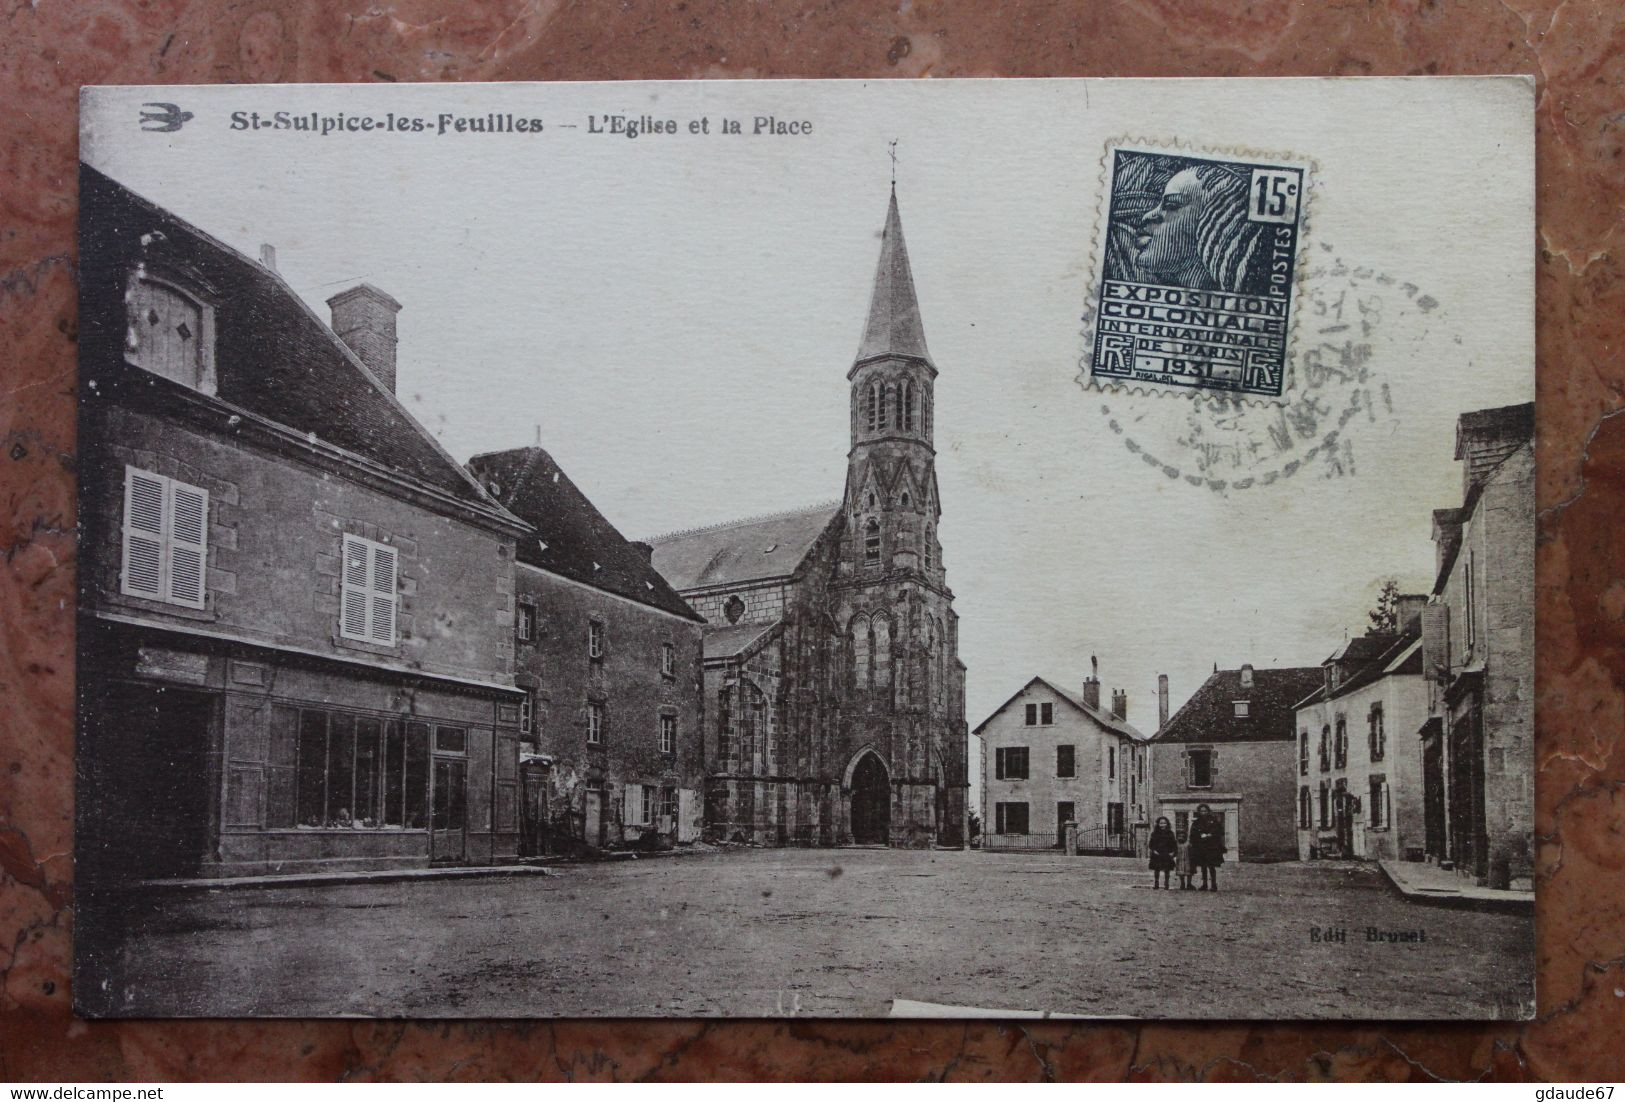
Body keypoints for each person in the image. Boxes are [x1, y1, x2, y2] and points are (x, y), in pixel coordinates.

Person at [1189, 803, 1226, 891]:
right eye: (1201, 811)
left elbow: (1220, 832)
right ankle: (1204, 884)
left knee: (1211, 866)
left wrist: (1210, 835)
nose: (1203, 813)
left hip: (1211, 847)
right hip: (1201, 847)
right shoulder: (1196, 822)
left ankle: (1213, 884)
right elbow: (1192, 835)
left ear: (1208, 811)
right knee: (1203, 866)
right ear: (1199, 812)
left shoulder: (1213, 821)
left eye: (1205, 811)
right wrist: (1199, 836)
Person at [1148, 816, 1178, 889]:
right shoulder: (1155, 833)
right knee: (1156, 869)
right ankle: (1156, 883)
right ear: (1158, 824)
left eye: (1164, 823)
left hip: (1166, 853)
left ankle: (1166, 883)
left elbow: (1174, 844)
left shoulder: (1170, 833)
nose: (1162, 825)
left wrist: (1172, 852)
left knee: (1167, 869)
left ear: (1167, 824)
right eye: (1161, 823)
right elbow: (1151, 843)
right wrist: (1154, 850)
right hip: (1157, 853)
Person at [1177, 820, 1197, 890]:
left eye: (1183, 836)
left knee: (1189, 872)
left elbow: (1192, 851)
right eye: (1179, 836)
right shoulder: (1177, 844)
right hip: (1180, 861)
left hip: (1188, 860)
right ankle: (1182, 883)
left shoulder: (1188, 843)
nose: (1181, 837)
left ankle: (1189, 884)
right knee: (1181, 872)